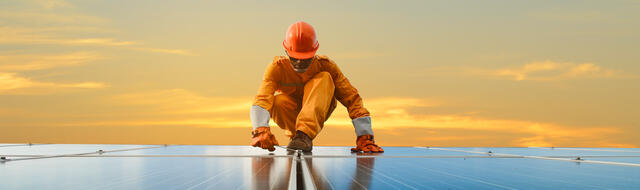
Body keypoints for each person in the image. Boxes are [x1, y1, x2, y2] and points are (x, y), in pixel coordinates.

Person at [250, 21, 383, 153]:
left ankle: (304, 135)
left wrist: (365, 136)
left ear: (314, 52)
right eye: (295, 57)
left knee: (324, 77)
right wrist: (260, 129)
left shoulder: (326, 66)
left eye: (305, 58)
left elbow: (352, 98)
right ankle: (297, 136)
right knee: (277, 101)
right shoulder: (277, 68)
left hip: (320, 108)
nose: (299, 62)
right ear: (286, 51)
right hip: (292, 116)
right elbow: (262, 99)